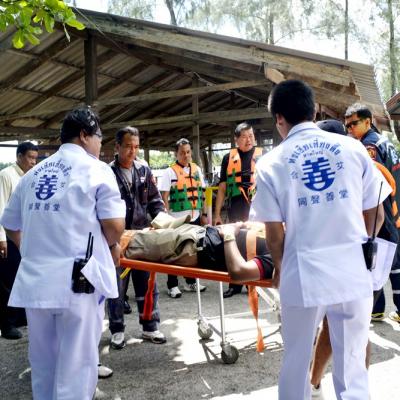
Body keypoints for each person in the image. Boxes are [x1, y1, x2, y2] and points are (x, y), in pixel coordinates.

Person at [250, 79, 389, 400]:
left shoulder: (271, 163)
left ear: (279, 118)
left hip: (303, 273)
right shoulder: (353, 149)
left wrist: (281, 268)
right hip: (352, 271)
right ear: (314, 110)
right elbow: (377, 215)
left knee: (296, 361)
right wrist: (361, 249)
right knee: (352, 366)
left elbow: (274, 233)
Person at [0, 107, 126, 400]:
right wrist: (110, 245)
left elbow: (10, 223)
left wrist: (28, 249)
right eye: (99, 137)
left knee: (44, 362)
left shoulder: (32, 175)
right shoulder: (97, 170)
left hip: (37, 281)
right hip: (78, 282)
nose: (100, 144)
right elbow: (114, 226)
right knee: (77, 365)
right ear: (84, 135)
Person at [309, 119, 399, 397]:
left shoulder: (354, 166)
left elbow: (377, 217)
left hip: (363, 254)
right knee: (349, 326)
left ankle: (328, 384)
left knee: (349, 327)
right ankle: (322, 383)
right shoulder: (356, 163)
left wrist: (359, 248)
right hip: (366, 253)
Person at [108, 126, 167, 350]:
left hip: (142, 237)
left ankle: (150, 326)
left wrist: (163, 222)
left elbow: (154, 201)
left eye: (136, 147)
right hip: (117, 239)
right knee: (116, 287)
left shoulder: (143, 169)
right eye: (128, 146)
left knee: (147, 284)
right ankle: (117, 330)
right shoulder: (107, 173)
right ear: (117, 147)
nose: (132, 151)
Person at [345, 103, 400, 323]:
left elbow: (373, 184)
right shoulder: (384, 141)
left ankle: (378, 309)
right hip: (394, 208)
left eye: (353, 124)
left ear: (367, 121)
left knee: (381, 259)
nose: (350, 129)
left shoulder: (369, 147)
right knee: (391, 258)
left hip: (383, 210)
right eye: (347, 125)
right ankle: (379, 309)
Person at [121, 214, 273, 282]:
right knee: (139, 235)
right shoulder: (281, 236)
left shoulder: (279, 257)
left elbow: (239, 272)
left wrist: (229, 234)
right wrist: (240, 226)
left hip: (191, 246)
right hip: (198, 235)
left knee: (129, 242)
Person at [214, 122, 263, 298]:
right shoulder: (228, 158)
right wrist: (217, 214)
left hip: (256, 207)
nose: (248, 140)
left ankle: (254, 284)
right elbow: (222, 188)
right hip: (235, 207)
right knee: (233, 243)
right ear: (236, 140)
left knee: (254, 243)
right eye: (244, 137)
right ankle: (234, 284)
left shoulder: (262, 156)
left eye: (251, 136)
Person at [158, 138, 207, 298]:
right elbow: (164, 196)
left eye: (188, 152)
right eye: (182, 153)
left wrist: (205, 214)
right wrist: (166, 217)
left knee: (193, 250)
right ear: (176, 154)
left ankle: (191, 281)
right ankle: (172, 284)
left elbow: (202, 194)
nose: (186, 155)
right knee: (174, 251)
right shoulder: (169, 172)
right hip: (177, 218)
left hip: (195, 216)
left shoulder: (197, 169)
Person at [0, 141, 38, 340]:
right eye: (30, 157)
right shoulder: (6, 175)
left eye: (35, 158)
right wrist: (1, 239)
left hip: (27, 236)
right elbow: (0, 207)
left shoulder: (31, 177)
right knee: (8, 281)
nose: (33, 162)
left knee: (23, 277)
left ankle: (20, 317)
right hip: (8, 236)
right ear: (19, 156)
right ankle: (6, 324)